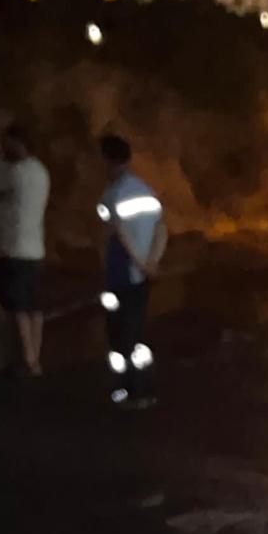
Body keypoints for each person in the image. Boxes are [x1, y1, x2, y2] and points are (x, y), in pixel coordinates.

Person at [94, 133, 167, 407]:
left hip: (121, 274)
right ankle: (142, 388)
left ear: (107, 160)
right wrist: (152, 263)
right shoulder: (146, 190)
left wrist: (137, 263)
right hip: (142, 275)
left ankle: (130, 390)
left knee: (119, 333)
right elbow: (161, 228)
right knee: (136, 331)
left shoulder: (111, 195)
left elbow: (116, 235)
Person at [0, 122, 51, 377]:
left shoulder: (14, 173)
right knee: (34, 306)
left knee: (17, 308)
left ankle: (28, 360)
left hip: (13, 249)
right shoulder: (41, 172)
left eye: (7, 142)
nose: (4, 146)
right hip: (36, 249)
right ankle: (35, 355)